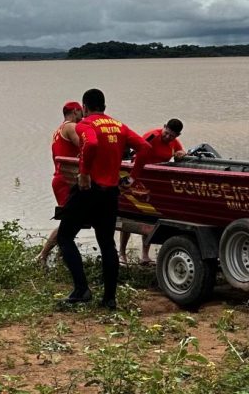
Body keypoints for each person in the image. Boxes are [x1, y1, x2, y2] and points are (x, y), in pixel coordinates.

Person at [57, 88, 150, 310]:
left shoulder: (85, 124)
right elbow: (145, 147)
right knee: (107, 244)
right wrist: (132, 178)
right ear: (105, 108)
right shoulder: (120, 126)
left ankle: (82, 290)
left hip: (88, 189)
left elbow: (91, 144)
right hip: (110, 193)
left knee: (65, 237)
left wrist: (85, 172)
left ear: (85, 107)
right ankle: (109, 299)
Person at [119, 119, 186, 264]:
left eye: (172, 136)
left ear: (177, 135)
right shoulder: (152, 136)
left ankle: (144, 255)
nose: (168, 137)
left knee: (149, 216)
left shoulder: (173, 142)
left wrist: (181, 154)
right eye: (166, 133)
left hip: (154, 183)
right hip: (139, 178)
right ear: (164, 127)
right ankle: (122, 253)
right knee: (130, 215)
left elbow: (180, 151)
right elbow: (136, 154)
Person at [37, 101, 83, 265]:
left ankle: (61, 253)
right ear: (76, 111)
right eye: (81, 112)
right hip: (66, 180)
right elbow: (84, 146)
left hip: (61, 178)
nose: (83, 115)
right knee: (69, 222)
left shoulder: (58, 131)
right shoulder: (70, 127)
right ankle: (42, 255)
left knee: (74, 221)